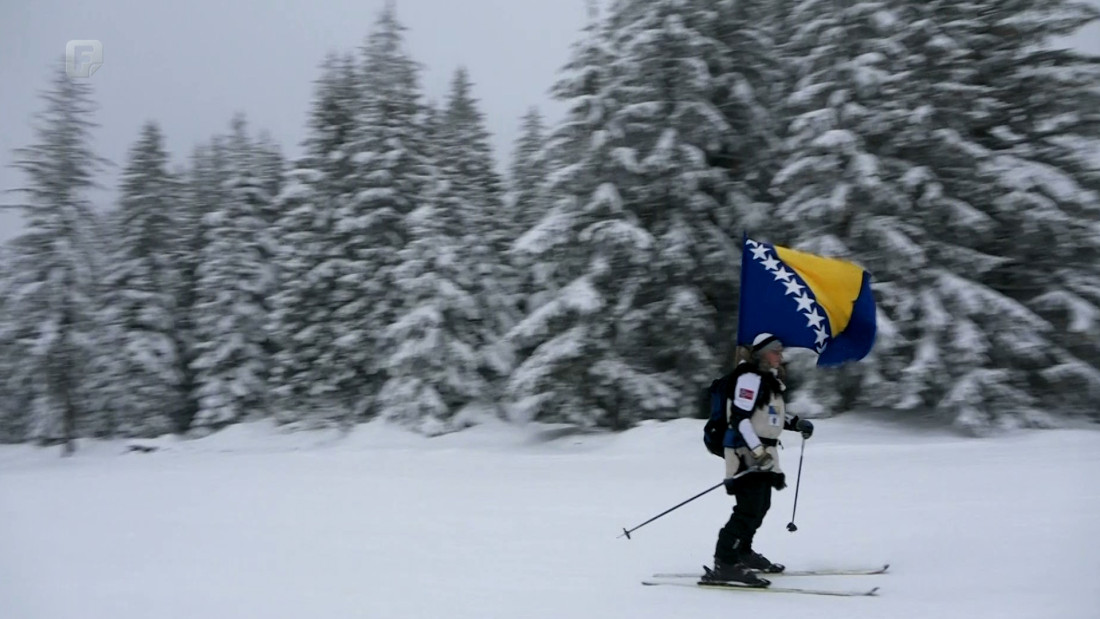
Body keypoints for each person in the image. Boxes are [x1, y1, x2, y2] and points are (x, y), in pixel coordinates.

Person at [702, 333, 815, 586]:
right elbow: (740, 419)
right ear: (763, 353)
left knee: (760, 506)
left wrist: (796, 424)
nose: (780, 356)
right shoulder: (749, 379)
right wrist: (757, 452)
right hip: (746, 453)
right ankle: (725, 562)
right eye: (776, 351)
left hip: (763, 455)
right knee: (747, 509)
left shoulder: (767, 381)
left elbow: (768, 417)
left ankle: (743, 551)